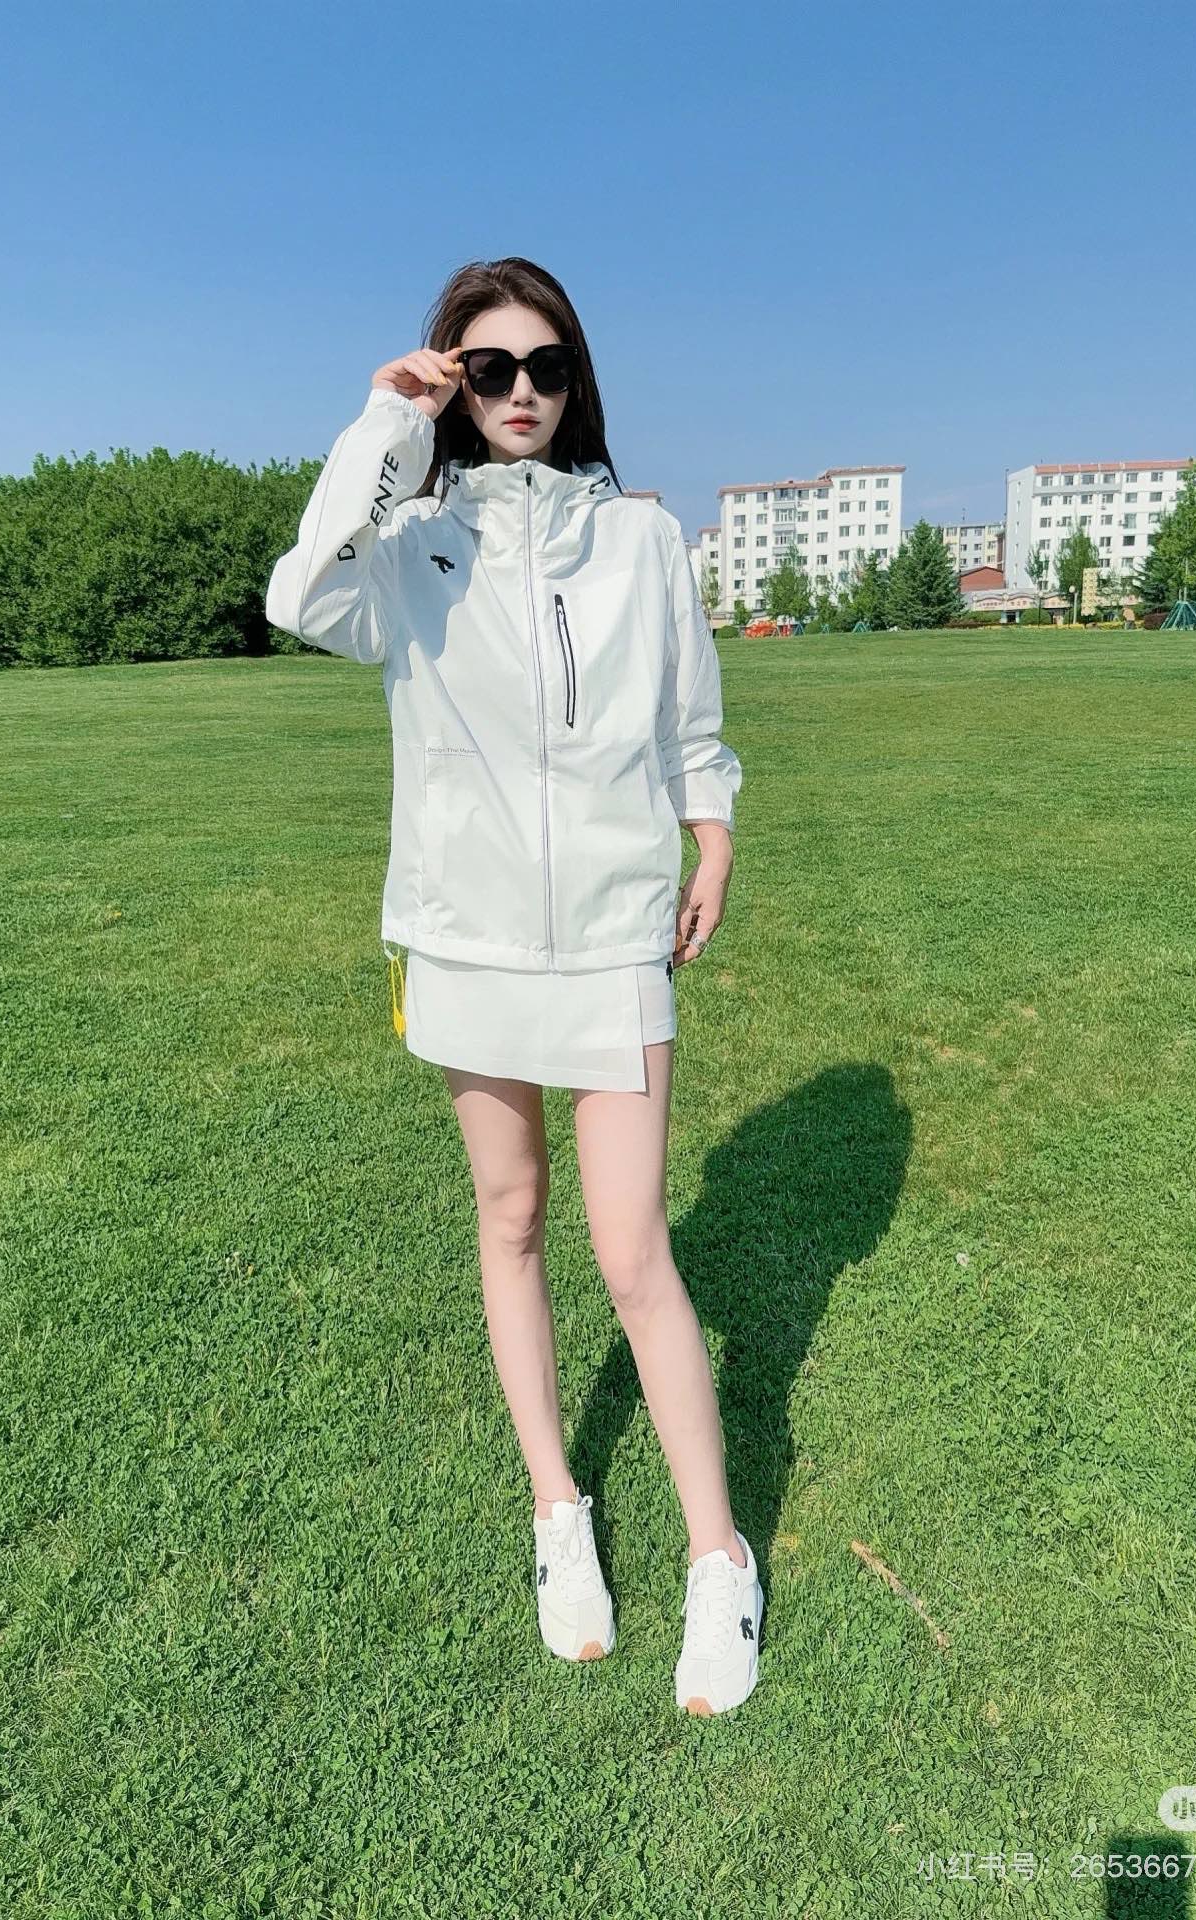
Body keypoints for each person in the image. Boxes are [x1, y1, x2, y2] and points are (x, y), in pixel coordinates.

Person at [265, 256, 760, 1715]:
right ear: (454, 383)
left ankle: (719, 1557)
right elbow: (297, 592)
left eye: (545, 365)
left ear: (576, 379)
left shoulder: (643, 540)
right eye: (488, 369)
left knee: (633, 1250)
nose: (522, 391)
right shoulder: (409, 550)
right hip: (467, 936)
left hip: (611, 934)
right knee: (512, 1215)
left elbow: (691, 723)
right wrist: (386, 423)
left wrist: (713, 834)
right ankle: (558, 1508)